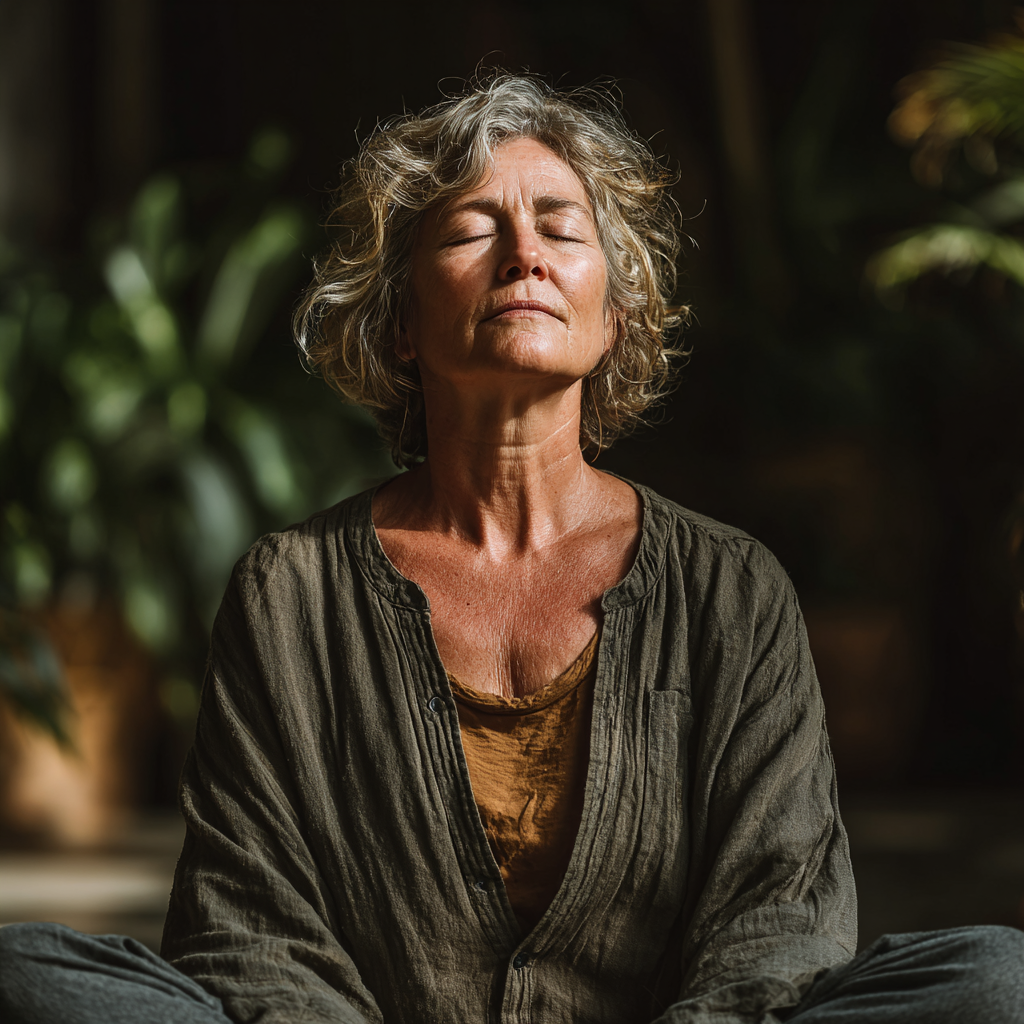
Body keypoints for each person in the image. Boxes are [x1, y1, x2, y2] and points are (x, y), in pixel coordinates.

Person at [1, 73, 1022, 1024]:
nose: (522, 254)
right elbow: (249, 927)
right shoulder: (291, 591)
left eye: (558, 228)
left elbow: (776, 924)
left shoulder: (729, 588)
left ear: (614, 319)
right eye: (473, 228)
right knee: (30, 971)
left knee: (991, 979)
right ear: (401, 321)